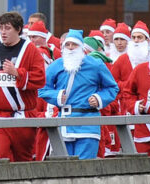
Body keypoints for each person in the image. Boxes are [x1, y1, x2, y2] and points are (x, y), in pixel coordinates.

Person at [36, 30, 118, 159]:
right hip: (64, 123)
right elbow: (42, 88)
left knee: (85, 168)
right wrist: (56, 96)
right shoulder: (57, 65)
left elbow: (112, 87)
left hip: (88, 123)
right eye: (67, 45)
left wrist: (99, 98)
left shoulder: (95, 64)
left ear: (81, 47)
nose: (70, 48)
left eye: (74, 44)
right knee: (65, 168)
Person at [0, 12, 45, 162]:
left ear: (18, 29)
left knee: (23, 161)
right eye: (1, 28)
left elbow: (40, 78)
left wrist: (18, 73)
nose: (3, 32)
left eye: (7, 28)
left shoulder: (30, 49)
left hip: (22, 115)